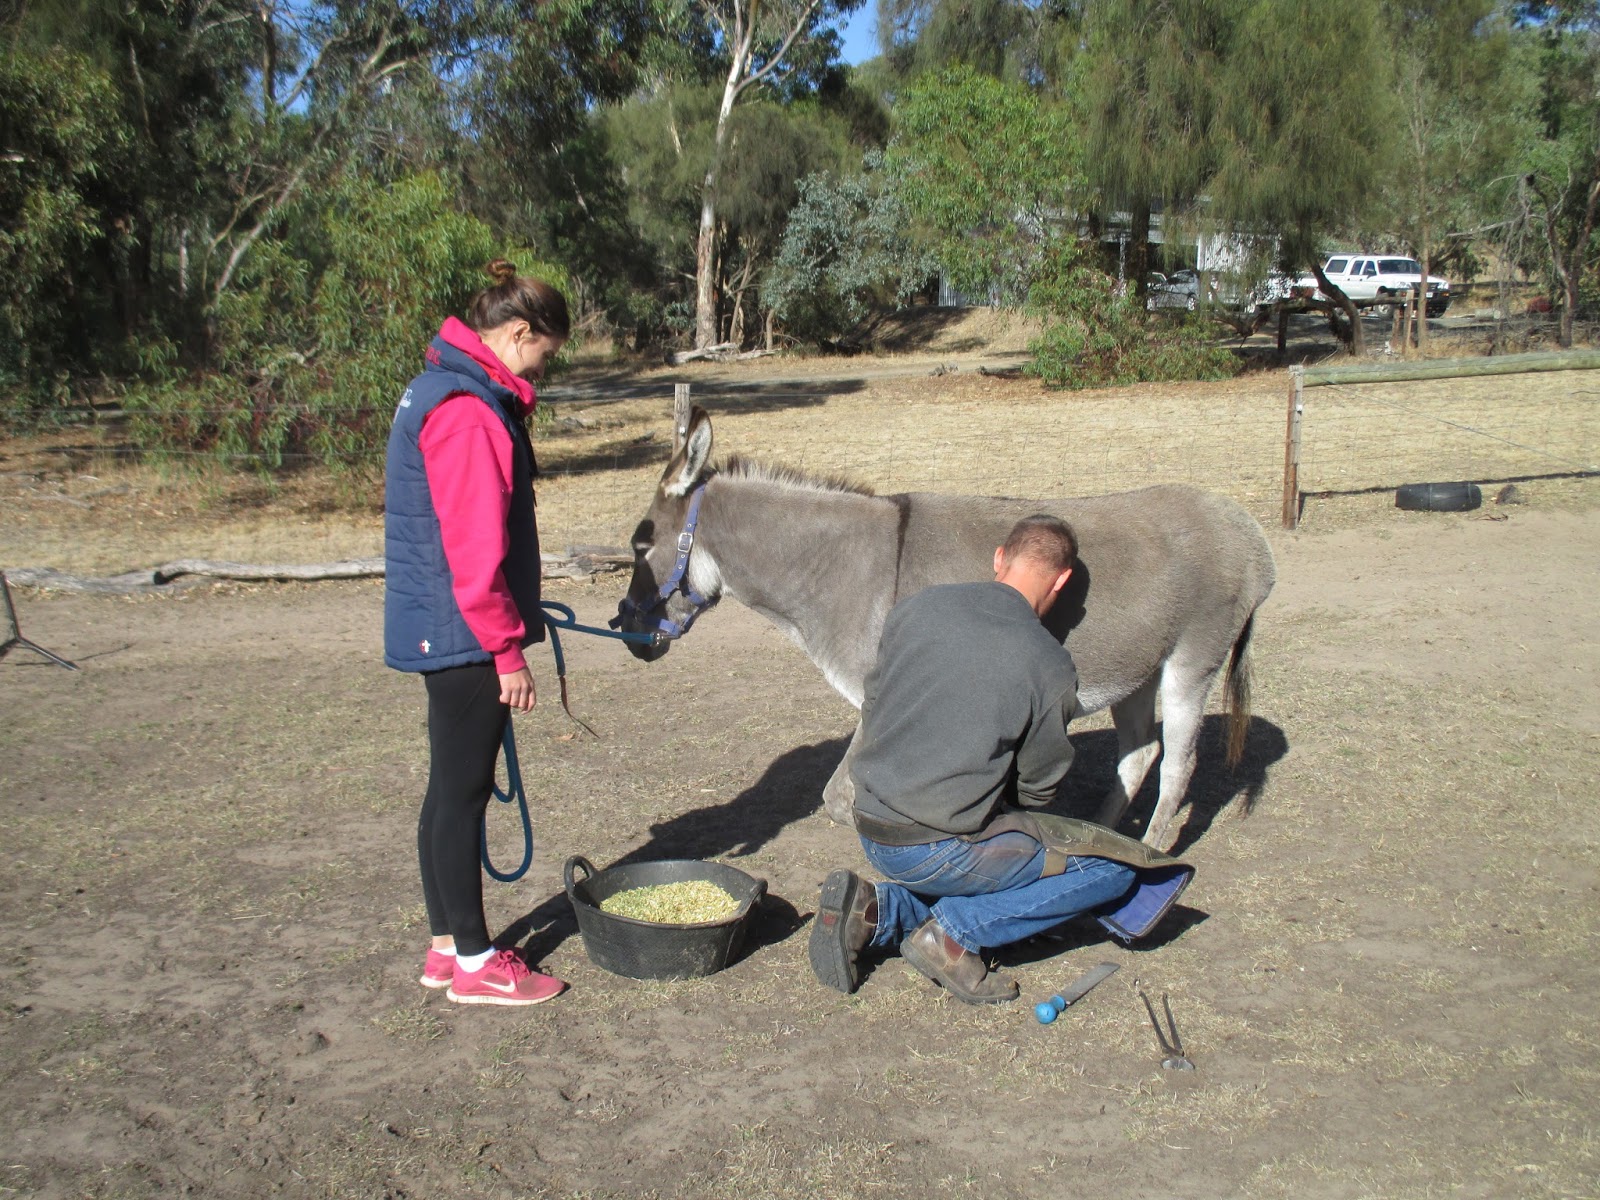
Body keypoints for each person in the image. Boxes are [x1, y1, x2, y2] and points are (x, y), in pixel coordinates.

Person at [808, 514, 1194, 1004]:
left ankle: (875, 910)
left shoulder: (917, 608)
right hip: (934, 849)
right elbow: (1038, 788)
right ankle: (953, 934)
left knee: (984, 859)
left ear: (998, 558)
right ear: (1061, 580)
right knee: (1116, 868)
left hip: (871, 823)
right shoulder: (1049, 664)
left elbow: (877, 699)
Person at [384, 259, 569, 1007]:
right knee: (461, 797)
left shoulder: (444, 387)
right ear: (519, 333)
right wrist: (506, 647)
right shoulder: (465, 409)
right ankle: (473, 962)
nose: (544, 369)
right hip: (464, 633)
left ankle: (444, 947)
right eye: (545, 355)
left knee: (446, 792)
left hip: (445, 626)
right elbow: (473, 546)